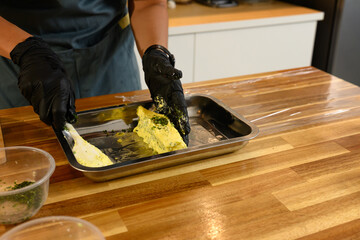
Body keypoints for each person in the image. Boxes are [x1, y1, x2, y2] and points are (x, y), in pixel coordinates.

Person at [0, 0, 190, 143]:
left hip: (110, 59)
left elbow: (148, 3)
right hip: (20, 60)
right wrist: (25, 51)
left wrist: (155, 52)